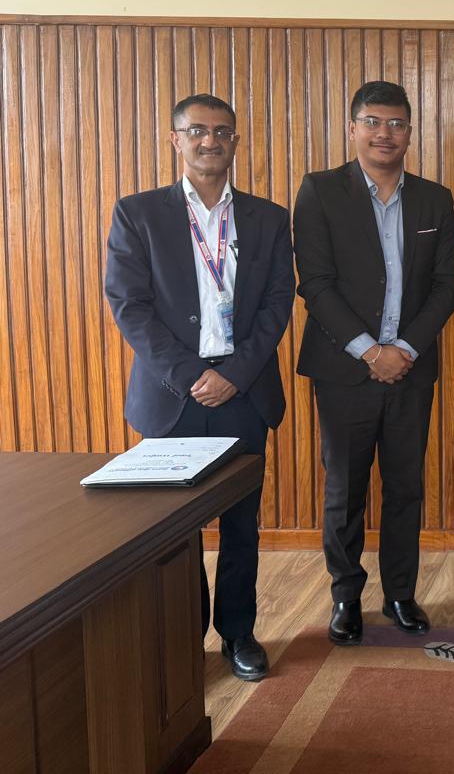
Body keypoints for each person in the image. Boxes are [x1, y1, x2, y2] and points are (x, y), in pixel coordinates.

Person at [105, 93, 294, 682]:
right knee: (174, 529)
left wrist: (233, 374)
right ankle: (183, 638)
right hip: (173, 396)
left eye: (222, 132)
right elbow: (129, 306)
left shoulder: (267, 217)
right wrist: (191, 376)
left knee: (241, 524)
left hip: (244, 391)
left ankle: (238, 632)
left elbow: (278, 303)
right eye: (197, 131)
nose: (210, 141)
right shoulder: (138, 214)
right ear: (176, 139)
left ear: (235, 141)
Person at [293, 80, 454, 646]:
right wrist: (369, 351)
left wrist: (404, 350)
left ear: (410, 132)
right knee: (345, 488)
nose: (384, 133)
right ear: (352, 128)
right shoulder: (320, 191)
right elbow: (315, 284)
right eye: (372, 121)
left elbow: (448, 284)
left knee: (406, 486)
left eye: (396, 123)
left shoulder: (434, 199)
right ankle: (346, 596)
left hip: (410, 369)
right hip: (345, 370)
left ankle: (400, 594)